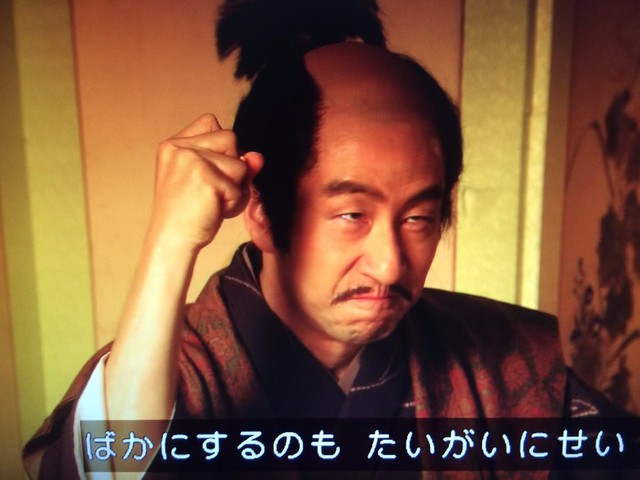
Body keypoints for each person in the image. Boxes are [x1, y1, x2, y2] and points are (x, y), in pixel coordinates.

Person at [23, 1, 626, 479]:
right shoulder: (174, 367)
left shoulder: (503, 355)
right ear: (261, 211)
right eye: (352, 214)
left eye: (418, 218)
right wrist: (169, 242)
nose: (390, 266)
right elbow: (109, 463)